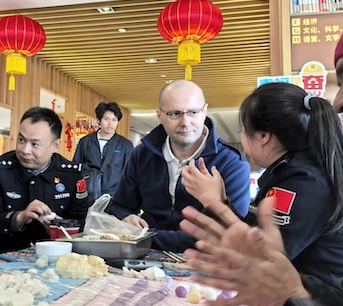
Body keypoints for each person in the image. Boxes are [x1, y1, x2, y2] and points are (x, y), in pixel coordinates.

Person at [180, 1, 343, 306]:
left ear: (265, 136)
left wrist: (216, 204)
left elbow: (268, 257)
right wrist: (287, 291)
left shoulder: (305, 181)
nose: (339, 101)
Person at [181, 82, 343, 287]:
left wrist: (212, 201)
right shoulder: (295, 172)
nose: (242, 139)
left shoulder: (306, 182)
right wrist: (221, 200)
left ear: (263, 136)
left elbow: (261, 259)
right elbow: (254, 234)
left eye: (243, 130)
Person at [107, 79, 251, 252]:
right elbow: (119, 206)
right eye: (175, 113)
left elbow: (226, 232)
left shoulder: (231, 162)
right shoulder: (141, 155)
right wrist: (126, 217)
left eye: (193, 112)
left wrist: (144, 237)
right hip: (145, 260)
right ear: (160, 115)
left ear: (205, 111)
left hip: (206, 262)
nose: (185, 122)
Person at [0, 107, 89, 251]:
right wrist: (19, 218)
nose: (25, 150)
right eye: (21, 140)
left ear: (55, 146)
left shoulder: (71, 175)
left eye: (35, 144)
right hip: (5, 257)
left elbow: (83, 221)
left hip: (56, 257)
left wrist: (61, 227)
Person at [72, 102, 133, 204]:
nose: (110, 123)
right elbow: (76, 167)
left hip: (113, 197)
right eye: (106, 119)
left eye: (114, 120)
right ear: (99, 120)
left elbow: (129, 174)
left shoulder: (125, 145)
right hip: (87, 196)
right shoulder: (86, 141)